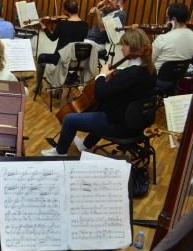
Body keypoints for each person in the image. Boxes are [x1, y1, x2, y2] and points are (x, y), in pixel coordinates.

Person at [41, 28, 156, 156]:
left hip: (121, 126)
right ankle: (85, 145)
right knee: (101, 107)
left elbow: (100, 94)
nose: (122, 48)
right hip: (138, 123)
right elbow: (127, 91)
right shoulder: (150, 70)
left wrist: (101, 76)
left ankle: (59, 153)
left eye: (124, 44)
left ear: (133, 48)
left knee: (69, 119)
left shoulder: (130, 74)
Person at [34, 0, 89, 94]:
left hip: (60, 58)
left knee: (41, 57)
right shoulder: (85, 25)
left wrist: (44, 26)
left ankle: (38, 86)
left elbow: (52, 38)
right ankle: (61, 85)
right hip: (75, 60)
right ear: (78, 8)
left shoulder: (62, 24)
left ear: (66, 11)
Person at [152, 2, 193, 73]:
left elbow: (150, 61)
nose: (166, 21)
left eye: (167, 18)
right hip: (178, 78)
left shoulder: (163, 38)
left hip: (157, 77)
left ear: (174, 19)